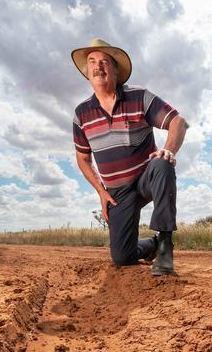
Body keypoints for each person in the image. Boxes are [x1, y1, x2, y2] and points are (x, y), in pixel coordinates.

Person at [71, 38, 188, 276]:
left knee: (162, 163)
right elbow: (83, 159)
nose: (98, 66)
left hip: (146, 177)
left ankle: (166, 246)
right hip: (118, 193)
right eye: (92, 62)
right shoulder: (81, 113)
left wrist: (169, 149)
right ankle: (153, 244)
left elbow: (178, 121)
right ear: (87, 72)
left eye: (105, 61)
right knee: (122, 258)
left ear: (116, 70)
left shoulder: (139, 97)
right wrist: (101, 192)